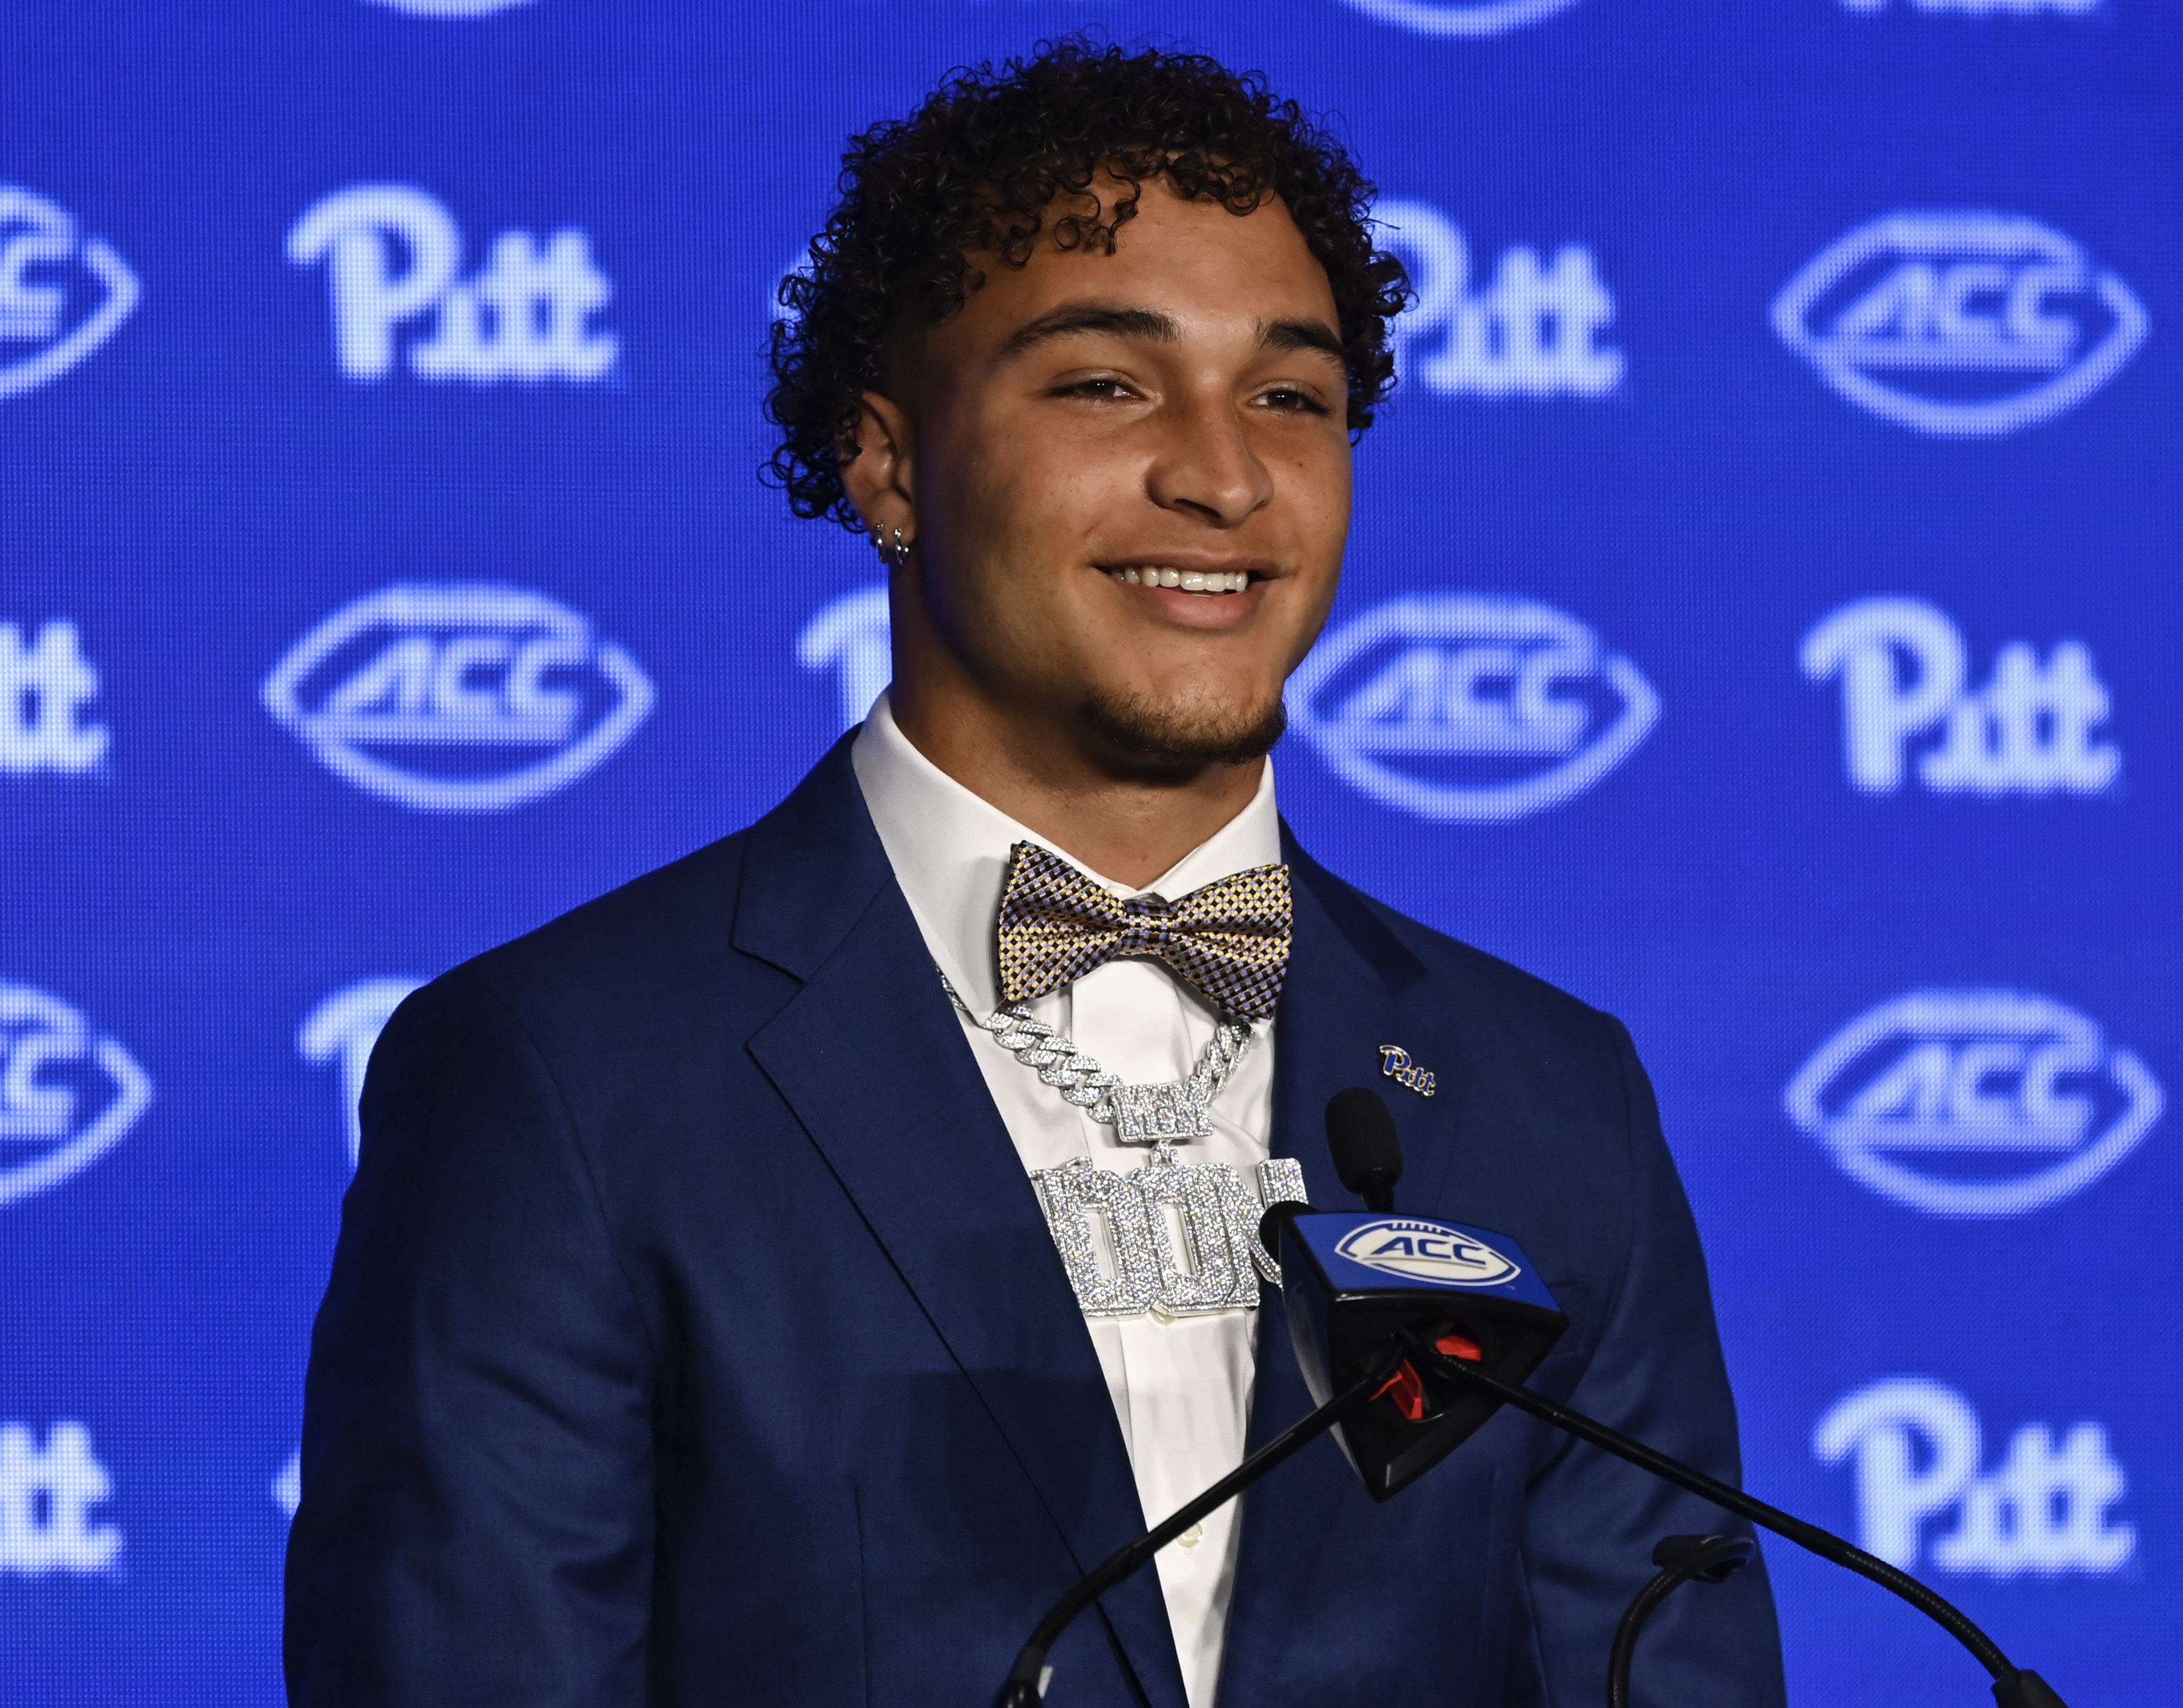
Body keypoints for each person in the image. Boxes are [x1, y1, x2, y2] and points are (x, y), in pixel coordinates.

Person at [286, 39, 1787, 1708]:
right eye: (1108, 384)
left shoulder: (1550, 1100)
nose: (1223, 475)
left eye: (1292, 395)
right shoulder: (562, 1075)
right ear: (891, 464)